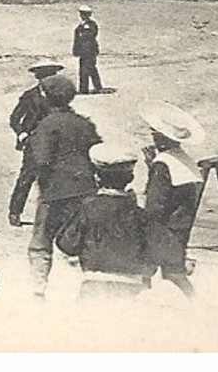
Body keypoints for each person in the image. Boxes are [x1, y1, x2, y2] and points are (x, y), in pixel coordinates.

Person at [22, 73, 100, 299]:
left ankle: (38, 287)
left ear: (47, 98)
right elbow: (97, 153)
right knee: (82, 238)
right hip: (85, 190)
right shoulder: (85, 124)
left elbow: (41, 160)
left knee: (41, 240)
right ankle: (84, 281)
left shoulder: (46, 126)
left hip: (54, 191)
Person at [55, 143, 155, 301]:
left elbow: (67, 244)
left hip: (94, 285)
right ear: (130, 178)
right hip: (133, 288)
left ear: (96, 177)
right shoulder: (140, 215)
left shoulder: (88, 209)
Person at [140, 102, 207, 297]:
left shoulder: (163, 164)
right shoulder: (185, 160)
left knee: (146, 270)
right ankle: (193, 300)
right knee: (173, 271)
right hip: (181, 226)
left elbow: (155, 204)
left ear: (159, 137)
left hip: (163, 228)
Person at [7, 61, 67, 227]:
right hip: (34, 142)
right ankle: (15, 212)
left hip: (56, 143)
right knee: (27, 177)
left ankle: (55, 216)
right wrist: (21, 133)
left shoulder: (60, 96)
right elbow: (14, 118)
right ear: (39, 79)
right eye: (46, 78)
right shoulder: (30, 96)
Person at [73, 5, 103, 94]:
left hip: (89, 50)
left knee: (88, 69)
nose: (81, 16)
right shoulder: (82, 25)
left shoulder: (91, 24)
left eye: (83, 14)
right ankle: (90, 87)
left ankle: (87, 88)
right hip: (84, 51)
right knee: (86, 69)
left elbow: (90, 36)